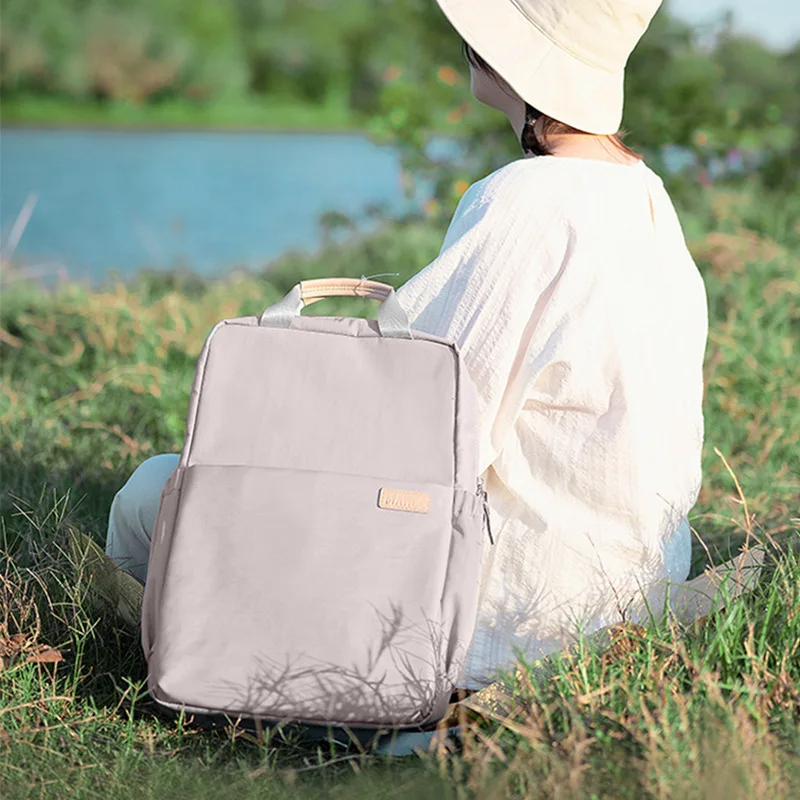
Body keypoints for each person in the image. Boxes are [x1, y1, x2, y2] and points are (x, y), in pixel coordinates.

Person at [105, 0, 708, 691]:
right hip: (630, 582)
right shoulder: (644, 192)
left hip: (518, 611)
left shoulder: (527, 199)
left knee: (156, 490)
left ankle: (186, 665)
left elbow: (415, 431)